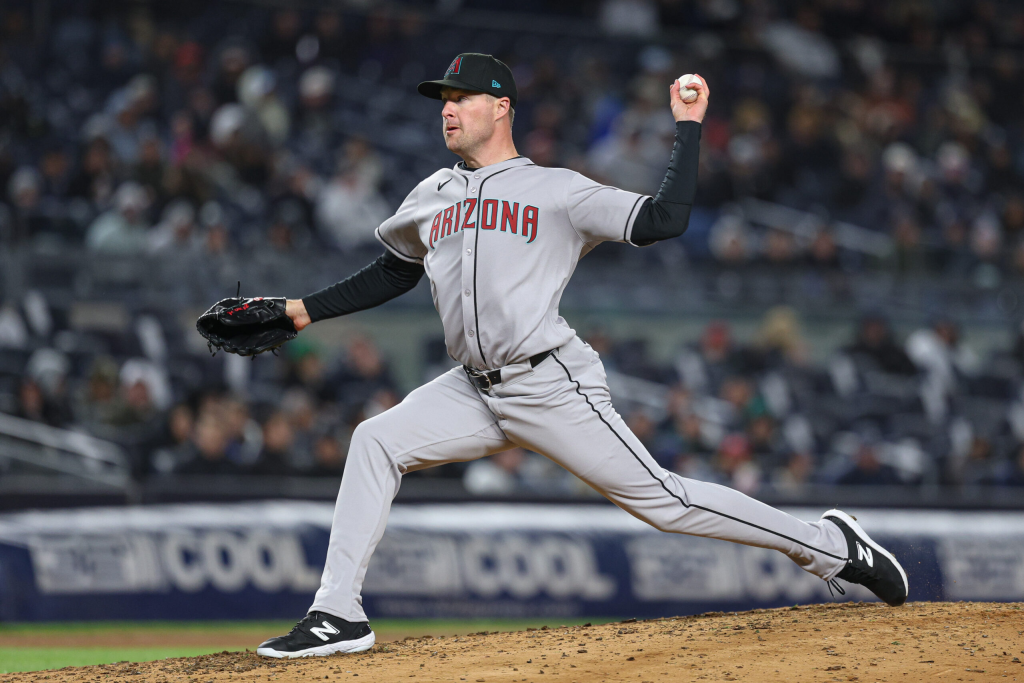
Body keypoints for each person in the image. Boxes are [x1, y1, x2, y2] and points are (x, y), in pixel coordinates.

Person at [255, 53, 908, 659]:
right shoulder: (432, 193)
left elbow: (664, 220)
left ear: (501, 107)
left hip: (548, 383)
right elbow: (394, 270)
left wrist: (687, 128)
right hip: (472, 388)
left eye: (461, 98)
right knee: (374, 440)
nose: (447, 110)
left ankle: (832, 547)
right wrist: (298, 311)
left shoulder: (558, 190)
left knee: (666, 503)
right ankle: (338, 612)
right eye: (442, 100)